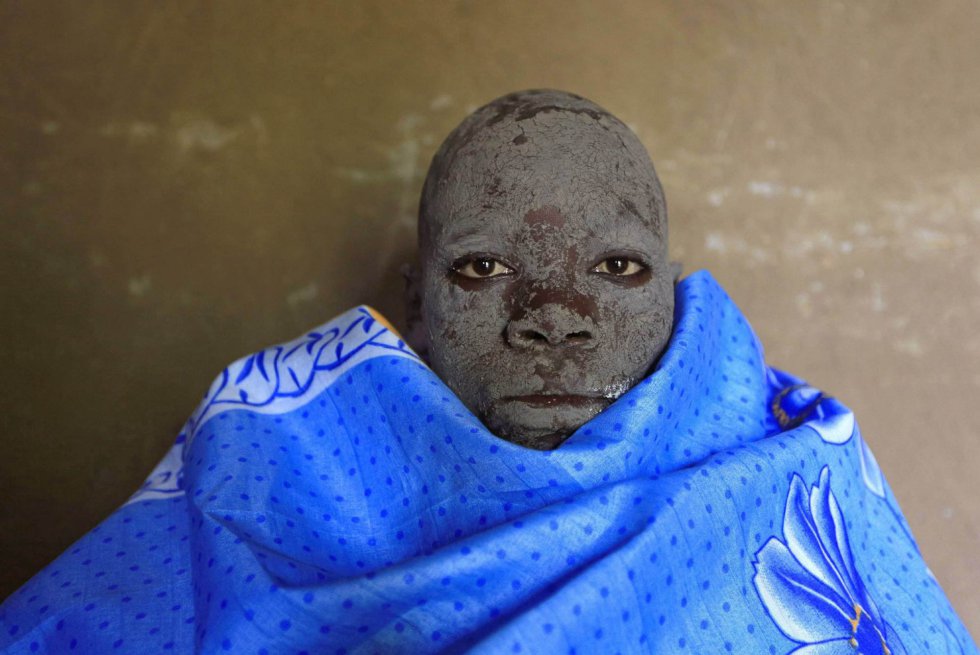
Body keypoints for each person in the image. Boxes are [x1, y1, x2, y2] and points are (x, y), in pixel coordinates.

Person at [0, 91, 974, 654]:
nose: (554, 313)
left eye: (618, 268)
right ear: (414, 305)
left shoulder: (792, 481)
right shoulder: (260, 474)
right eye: (483, 268)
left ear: (675, 297)